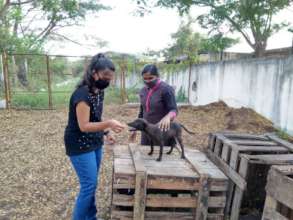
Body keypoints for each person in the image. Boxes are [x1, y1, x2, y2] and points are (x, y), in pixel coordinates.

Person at [64, 53, 125, 220]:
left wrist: (106, 132)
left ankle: (91, 217)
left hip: (95, 141)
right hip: (79, 143)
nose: (108, 80)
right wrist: (109, 123)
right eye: (105, 76)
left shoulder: (98, 92)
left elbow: (95, 118)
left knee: (92, 184)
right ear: (94, 73)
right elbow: (84, 126)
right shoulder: (82, 95)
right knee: (88, 185)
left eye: (110, 77)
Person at [130, 64, 178, 145]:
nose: (148, 81)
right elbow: (142, 112)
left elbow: (174, 110)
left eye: (151, 78)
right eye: (145, 79)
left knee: (161, 154)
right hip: (146, 132)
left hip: (161, 131)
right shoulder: (143, 91)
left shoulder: (166, 90)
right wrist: (135, 128)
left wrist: (168, 117)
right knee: (146, 154)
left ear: (157, 76)